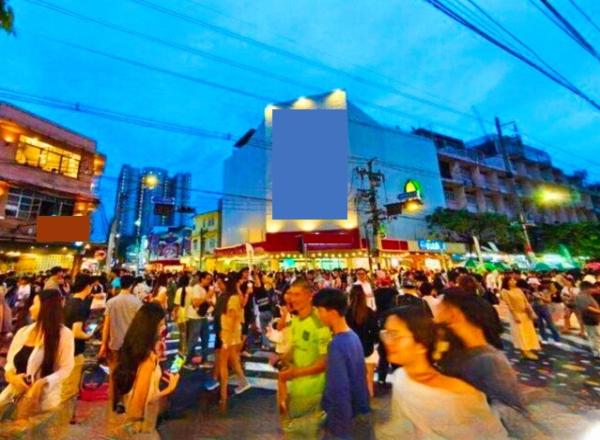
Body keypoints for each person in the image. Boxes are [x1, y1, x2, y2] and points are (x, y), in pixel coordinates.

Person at [378, 305, 508, 439]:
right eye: (385, 334)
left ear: (421, 342)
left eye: (395, 335)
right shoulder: (401, 377)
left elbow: (491, 433)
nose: (388, 342)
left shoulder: (459, 394)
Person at [435, 289, 525, 411]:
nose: (436, 316)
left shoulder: (489, 360)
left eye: (440, 308)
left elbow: (511, 409)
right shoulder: (456, 350)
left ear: (453, 312)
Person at [0, 289, 74, 417]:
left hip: (44, 400)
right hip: (15, 395)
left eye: (34, 304)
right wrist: (13, 378)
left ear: (46, 308)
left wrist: (42, 383)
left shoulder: (64, 334)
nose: (30, 308)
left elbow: (66, 368)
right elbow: (10, 364)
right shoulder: (23, 332)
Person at [112, 303, 179, 438]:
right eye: (161, 324)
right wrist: (169, 389)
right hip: (141, 429)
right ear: (150, 328)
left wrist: (156, 354)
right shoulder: (147, 360)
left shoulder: (133, 350)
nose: (164, 328)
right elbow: (138, 407)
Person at [313, 288, 370, 439]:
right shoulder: (353, 337)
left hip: (342, 422)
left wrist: (338, 429)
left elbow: (339, 390)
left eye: (319, 311)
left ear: (332, 312)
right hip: (356, 413)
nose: (318, 315)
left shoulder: (337, 344)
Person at [278, 278, 331, 423]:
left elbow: (325, 362)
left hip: (314, 393)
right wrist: (283, 358)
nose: (293, 299)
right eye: (291, 294)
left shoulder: (319, 322)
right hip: (296, 389)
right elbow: (297, 346)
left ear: (309, 296)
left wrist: (296, 373)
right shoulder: (296, 320)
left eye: (297, 294)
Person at [61, 274, 97, 402]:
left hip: (66, 348)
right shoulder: (80, 306)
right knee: (69, 391)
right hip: (75, 350)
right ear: (87, 287)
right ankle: (62, 413)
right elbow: (76, 332)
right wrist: (88, 335)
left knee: (66, 386)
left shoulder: (69, 301)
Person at [219, 275, 251, 410]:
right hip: (232, 334)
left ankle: (223, 397)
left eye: (221, 283)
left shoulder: (232, 298)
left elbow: (231, 319)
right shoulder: (236, 297)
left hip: (229, 335)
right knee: (234, 360)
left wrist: (226, 340)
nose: (219, 285)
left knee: (223, 365)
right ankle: (243, 382)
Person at [99, 275, 143, 372]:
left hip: (115, 342)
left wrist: (103, 344)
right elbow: (140, 326)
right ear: (131, 286)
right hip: (131, 343)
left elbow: (106, 325)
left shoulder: (111, 302)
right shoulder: (137, 303)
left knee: (113, 370)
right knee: (130, 371)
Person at [346, 284, 379, 398]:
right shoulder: (369, 312)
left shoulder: (346, 313)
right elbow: (375, 332)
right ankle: (370, 396)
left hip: (351, 349)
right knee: (369, 379)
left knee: (354, 378)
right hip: (367, 348)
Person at [500, 276, 540, 360]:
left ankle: (529, 348)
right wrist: (515, 316)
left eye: (514, 280)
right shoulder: (505, 291)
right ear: (506, 282)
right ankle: (525, 350)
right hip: (516, 314)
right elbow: (509, 305)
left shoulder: (518, 289)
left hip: (525, 314)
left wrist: (532, 312)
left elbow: (526, 302)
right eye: (511, 280)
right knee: (520, 333)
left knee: (529, 331)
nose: (513, 281)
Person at [574, 281, 600, 358]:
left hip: (593, 319)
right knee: (594, 337)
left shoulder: (587, 296)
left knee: (595, 336)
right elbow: (587, 308)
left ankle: (597, 351)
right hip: (590, 320)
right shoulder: (581, 297)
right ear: (587, 288)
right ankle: (597, 353)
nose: (593, 290)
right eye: (592, 288)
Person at [532, 280, 562, 345]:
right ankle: (544, 339)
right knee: (540, 325)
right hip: (535, 309)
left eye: (535, 284)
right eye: (532, 284)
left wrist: (541, 297)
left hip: (543, 308)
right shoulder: (529, 292)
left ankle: (557, 339)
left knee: (550, 324)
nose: (533, 285)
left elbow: (549, 300)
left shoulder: (545, 291)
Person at [172, 274, 190, 355]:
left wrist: (174, 315)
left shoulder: (179, 290)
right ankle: (186, 350)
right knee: (188, 335)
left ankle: (182, 351)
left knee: (182, 334)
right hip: (190, 315)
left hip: (181, 315)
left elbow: (177, 305)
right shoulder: (191, 290)